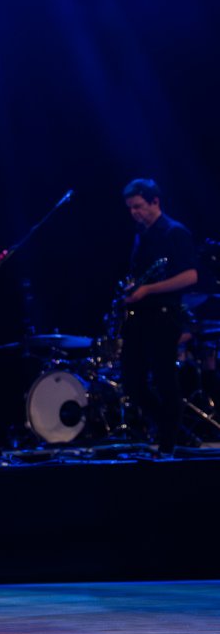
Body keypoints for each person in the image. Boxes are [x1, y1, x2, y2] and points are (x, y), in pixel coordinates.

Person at [120, 178, 198, 454]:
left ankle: (168, 444)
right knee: (132, 381)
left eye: (139, 206)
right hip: (139, 317)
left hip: (164, 316)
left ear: (155, 202)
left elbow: (191, 275)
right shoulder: (141, 236)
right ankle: (172, 429)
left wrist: (148, 290)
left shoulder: (174, 232)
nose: (134, 213)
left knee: (166, 380)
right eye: (130, 208)